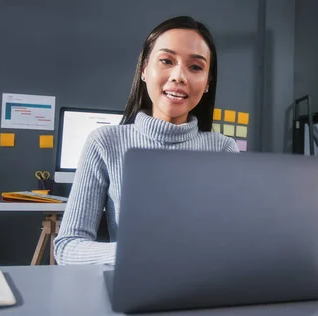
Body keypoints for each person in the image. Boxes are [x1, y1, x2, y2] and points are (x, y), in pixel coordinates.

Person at [54, 16, 239, 265]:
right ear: (144, 70)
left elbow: (234, 241)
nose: (179, 76)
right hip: (134, 291)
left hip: (205, 289)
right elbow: (67, 247)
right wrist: (135, 254)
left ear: (207, 83)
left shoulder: (224, 149)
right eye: (166, 61)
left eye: (195, 67)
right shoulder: (105, 143)